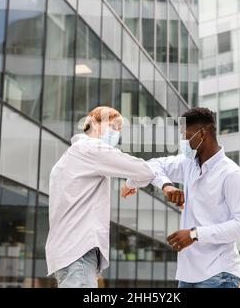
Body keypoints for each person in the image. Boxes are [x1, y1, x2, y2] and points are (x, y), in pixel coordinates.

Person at [123, 107, 240, 288]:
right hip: (187, 275)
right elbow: (152, 166)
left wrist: (194, 234)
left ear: (201, 134)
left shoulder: (232, 174)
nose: (184, 141)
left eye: (186, 136)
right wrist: (165, 185)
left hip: (218, 274)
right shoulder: (188, 164)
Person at [46, 106, 158, 288]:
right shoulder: (91, 148)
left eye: (119, 130)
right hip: (79, 253)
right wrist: (132, 183)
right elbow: (144, 170)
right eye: (113, 126)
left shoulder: (73, 155)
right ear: (93, 123)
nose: (116, 133)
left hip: (70, 253)